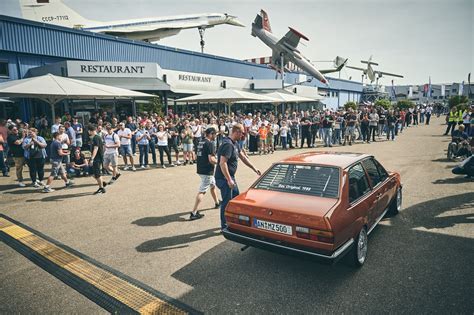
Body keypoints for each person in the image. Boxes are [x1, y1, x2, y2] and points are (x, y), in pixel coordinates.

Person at [215, 124, 261, 229]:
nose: (243, 135)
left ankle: (234, 220)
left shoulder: (235, 143)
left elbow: (243, 157)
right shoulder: (228, 145)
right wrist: (229, 179)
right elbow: (223, 163)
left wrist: (254, 168)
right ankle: (224, 225)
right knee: (227, 202)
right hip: (224, 178)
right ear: (236, 132)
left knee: (236, 198)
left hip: (230, 177)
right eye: (242, 133)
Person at [190, 128, 221, 220]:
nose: (215, 136)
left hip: (201, 168)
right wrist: (220, 163)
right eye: (215, 134)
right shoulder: (210, 144)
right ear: (211, 134)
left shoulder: (201, 141)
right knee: (202, 191)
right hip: (207, 170)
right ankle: (194, 212)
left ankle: (217, 203)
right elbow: (211, 159)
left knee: (213, 185)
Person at [88, 125, 107, 194]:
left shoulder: (96, 138)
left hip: (97, 158)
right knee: (92, 173)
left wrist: (92, 158)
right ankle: (102, 183)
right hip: (96, 158)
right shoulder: (95, 138)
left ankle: (101, 188)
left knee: (97, 174)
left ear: (90, 131)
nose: (88, 133)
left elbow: (96, 149)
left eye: (89, 131)